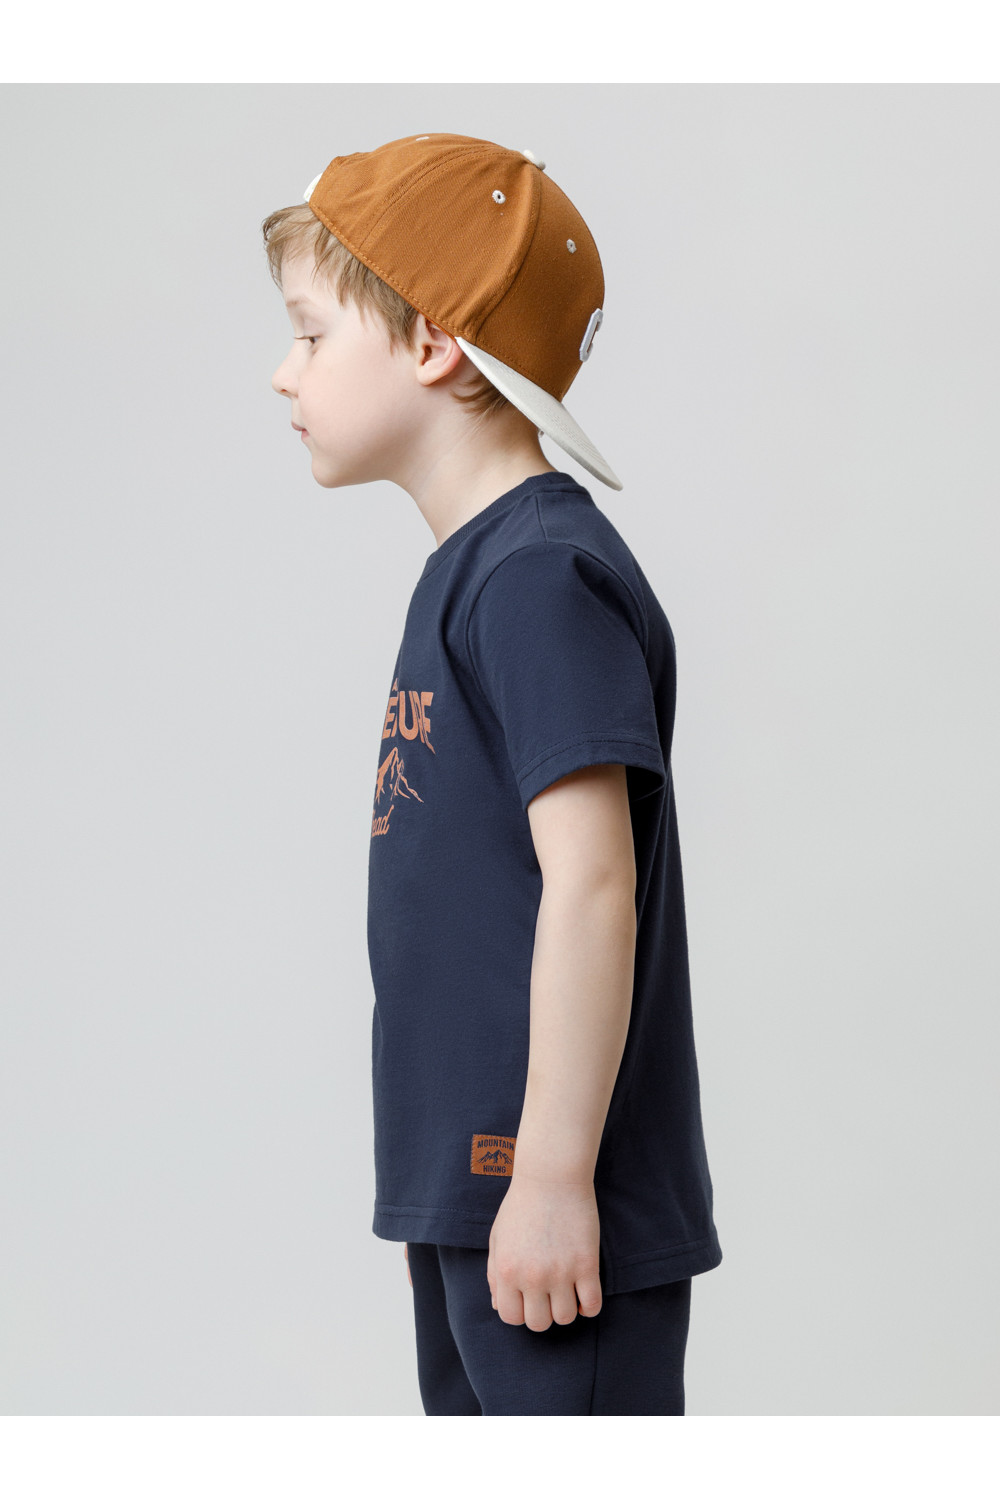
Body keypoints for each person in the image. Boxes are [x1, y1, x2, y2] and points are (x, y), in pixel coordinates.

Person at [263, 132, 723, 1416]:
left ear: (432, 344)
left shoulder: (536, 579)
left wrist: (553, 1176)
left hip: (546, 1201)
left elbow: (592, 885)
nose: (283, 371)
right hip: (474, 1192)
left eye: (309, 335)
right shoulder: (473, 574)